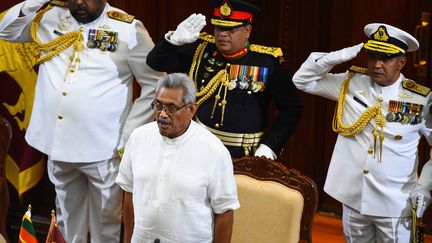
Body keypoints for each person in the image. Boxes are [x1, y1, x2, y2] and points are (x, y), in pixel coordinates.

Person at [0, 0, 164, 242]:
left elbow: (156, 82)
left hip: (104, 148)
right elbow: (7, 31)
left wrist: (129, 134)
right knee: (66, 220)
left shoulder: (127, 28)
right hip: (58, 145)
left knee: (105, 225)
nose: (78, 2)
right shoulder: (51, 17)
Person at [293, 23, 432, 242]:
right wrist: (344, 54)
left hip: (396, 203)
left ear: (401, 62)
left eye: (385, 59)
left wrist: (424, 188)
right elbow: (302, 80)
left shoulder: (421, 99)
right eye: (372, 57)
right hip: (354, 198)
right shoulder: (351, 83)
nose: (377, 65)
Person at [146, 0, 303, 160]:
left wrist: (270, 146)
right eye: (219, 28)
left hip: (242, 155)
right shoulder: (200, 51)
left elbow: (291, 108)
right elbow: (155, 62)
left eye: (230, 29)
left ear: (247, 31)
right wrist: (173, 40)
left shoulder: (266, 62)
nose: (222, 34)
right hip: (197, 148)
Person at [115, 73, 240, 243]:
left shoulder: (214, 151)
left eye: (171, 108)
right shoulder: (138, 137)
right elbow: (129, 193)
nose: (163, 114)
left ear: (191, 109)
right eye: (158, 105)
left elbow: (225, 212)